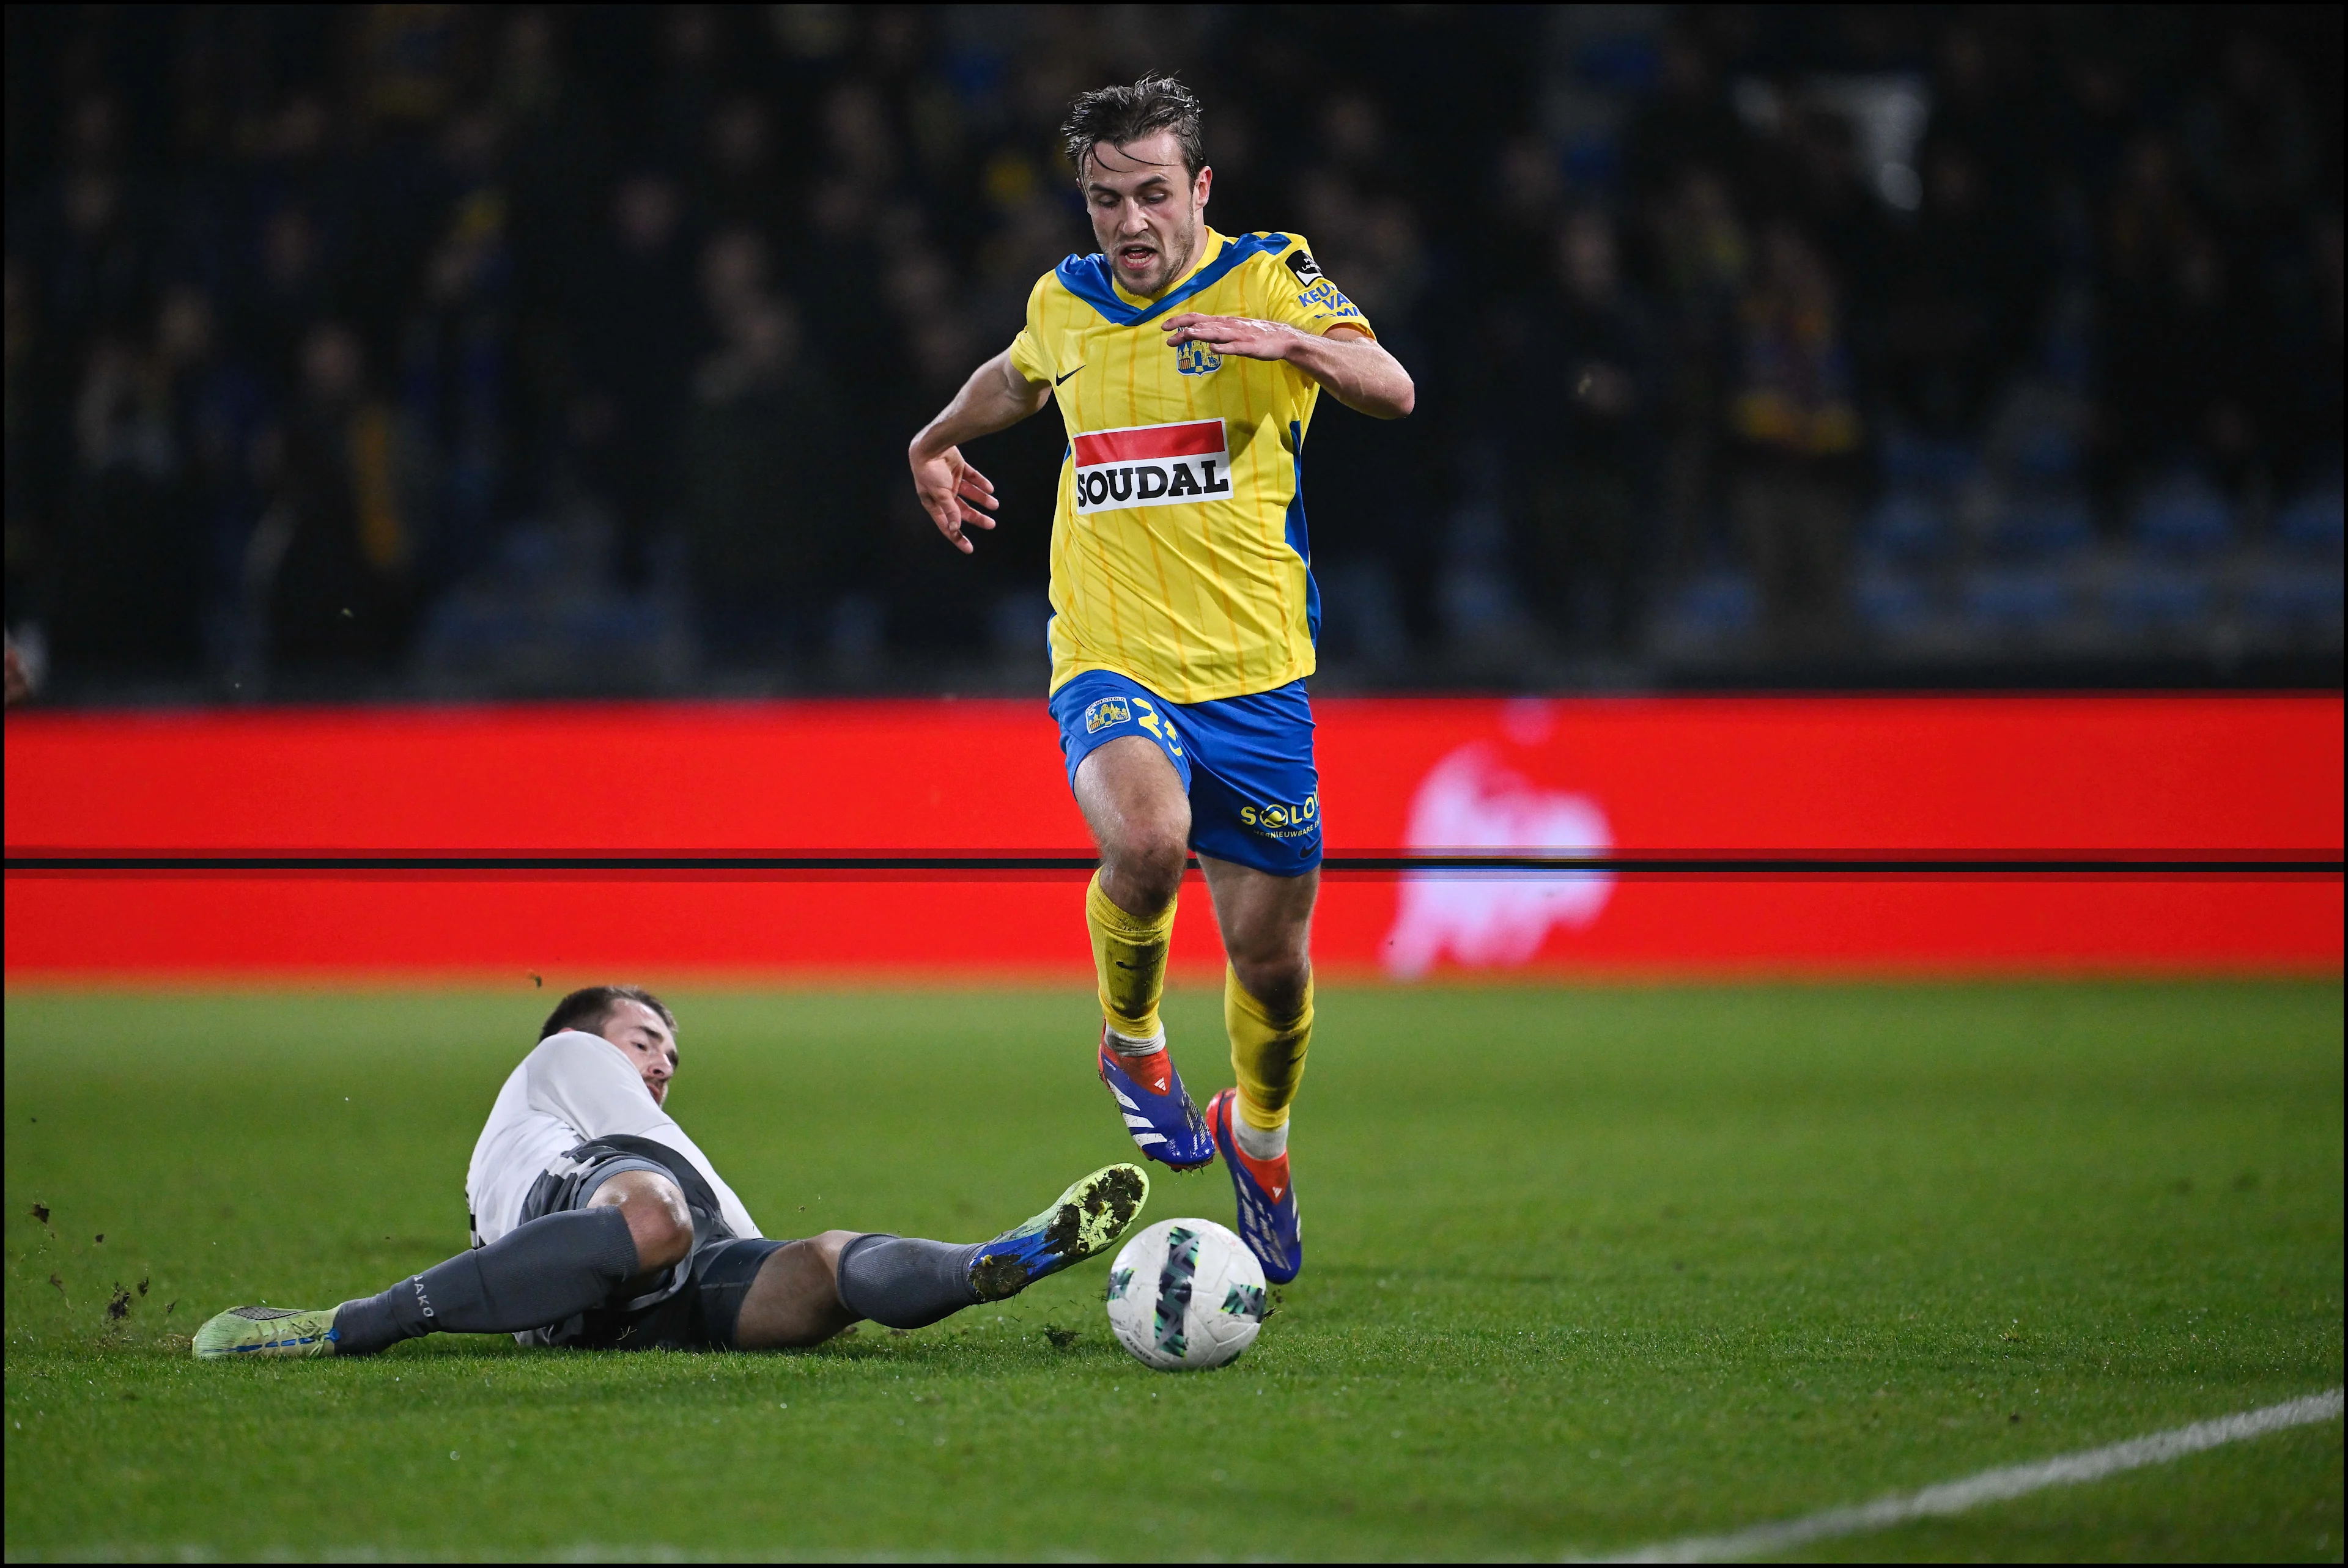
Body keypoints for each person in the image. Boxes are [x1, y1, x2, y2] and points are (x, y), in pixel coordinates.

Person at [904, 76, 1414, 1284]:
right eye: (1102, 200)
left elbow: (1392, 386)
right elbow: (1021, 376)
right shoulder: (1065, 300)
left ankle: (1263, 1139)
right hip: (1111, 656)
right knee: (1145, 839)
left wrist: (1292, 343)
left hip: (1258, 681)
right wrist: (934, 442)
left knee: (1273, 966)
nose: (1128, 223)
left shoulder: (1270, 278)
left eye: (1149, 195)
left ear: (1199, 190)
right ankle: (1130, 1042)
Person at [193, 985, 1146, 1359]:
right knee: (664, 1216)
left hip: (621, 1299)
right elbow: (686, 1189)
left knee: (824, 1265)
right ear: (582, 1034)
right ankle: (352, 1326)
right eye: (643, 1040)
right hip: (624, 1223)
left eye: (670, 1058)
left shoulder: (612, 1128)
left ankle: (984, 1262)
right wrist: (737, 1246)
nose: (658, 1064)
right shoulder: (561, 1064)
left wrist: (753, 1261)